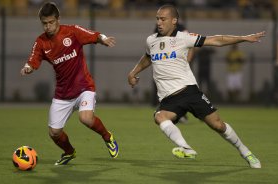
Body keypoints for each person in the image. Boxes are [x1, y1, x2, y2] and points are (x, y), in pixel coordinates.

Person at [128, 4, 264, 168]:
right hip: (168, 98)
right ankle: (186, 148)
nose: (159, 22)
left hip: (189, 92)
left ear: (174, 21)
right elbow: (148, 58)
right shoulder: (151, 40)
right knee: (159, 117)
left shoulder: (184, 37)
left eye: (163, 19)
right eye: (157, 19)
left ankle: (246, 152)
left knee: (218, 125)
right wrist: (133, 72)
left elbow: (216, 40)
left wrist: (243, 37)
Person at [20, 2, 119, 165]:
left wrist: (104, 39)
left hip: (84, 88)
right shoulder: (41, 42)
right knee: (54, 133)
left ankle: (108, 137)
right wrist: (28, 68)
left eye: (51, 22)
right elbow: (33, 60)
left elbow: (94, 35)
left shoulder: (72, 32)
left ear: (58, 19)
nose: (48, 27)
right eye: (44, 23)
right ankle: (69, 152)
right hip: (62, 94)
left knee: (86, 118)